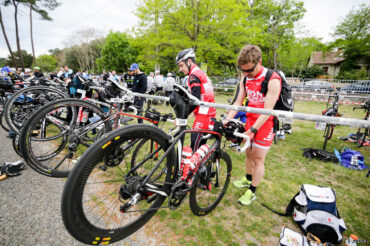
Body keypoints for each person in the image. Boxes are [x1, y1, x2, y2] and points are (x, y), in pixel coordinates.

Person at [223, 44, 281, 206]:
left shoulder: (273, 79)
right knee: (249, 153)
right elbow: (238, 101)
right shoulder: (245, 77)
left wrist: (253, 130)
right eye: (243, 70)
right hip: (250, 119)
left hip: (266, 122)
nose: (246, 74)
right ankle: (248, 178)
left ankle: (253, 190)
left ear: (259, 62)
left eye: (249, 70)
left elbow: (268, 109)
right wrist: (227, 119)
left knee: (258, 158)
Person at [176, 48, 216, 151]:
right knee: (199, 147)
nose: (180, 69)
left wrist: (183, 116)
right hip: (207, 112)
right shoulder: (197, 72)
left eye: (181, 65)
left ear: (189, 61)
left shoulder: (194, 75)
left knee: (195, 146)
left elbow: (195, 99)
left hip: (205, 114)